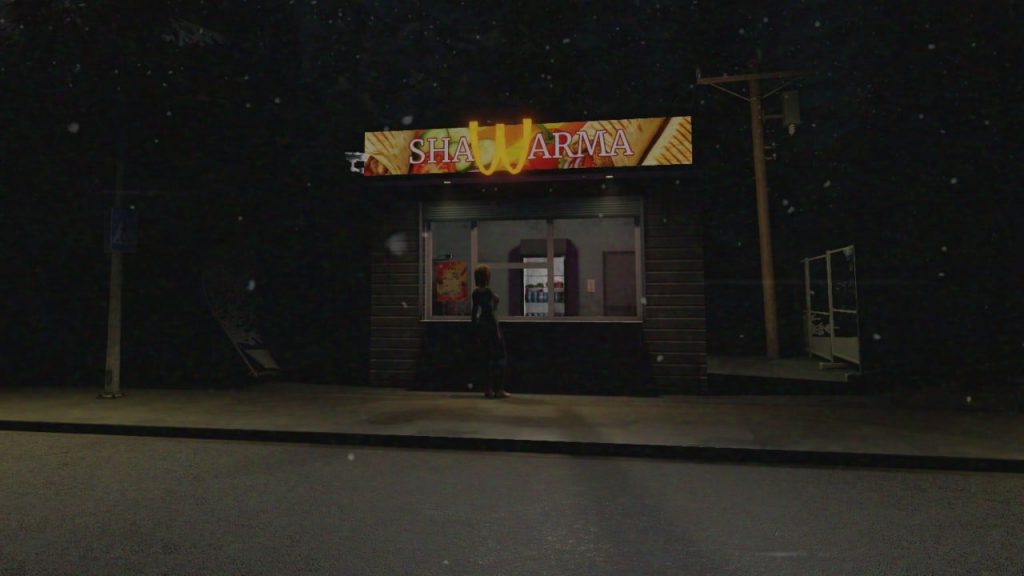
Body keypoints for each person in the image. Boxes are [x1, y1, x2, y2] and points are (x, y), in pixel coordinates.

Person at [471, 265, 509, 399]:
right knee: (500, 357)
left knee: (487, 358)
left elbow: (474, 312)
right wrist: (497, 329)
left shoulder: (475, 293)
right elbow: (492, 310)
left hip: (482, 326)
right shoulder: (489, 292)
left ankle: (488, 389)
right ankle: (499, 389)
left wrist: (475, 329)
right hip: (491, 325)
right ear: (487, 278)